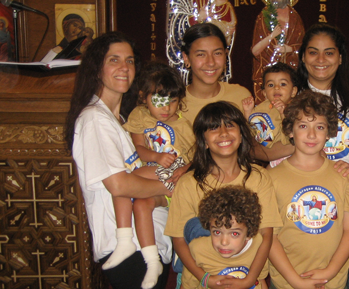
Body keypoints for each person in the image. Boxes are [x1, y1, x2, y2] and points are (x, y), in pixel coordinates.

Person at [64, 31, 173, 289]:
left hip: (151, 241)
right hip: (128, 247)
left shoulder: (124, 121)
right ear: (97, 67)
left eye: (130, 60)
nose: (124, 67)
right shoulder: (94, 119)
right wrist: (170, 186)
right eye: (114, 60)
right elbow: (119, 185)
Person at [164, 101, 282, 289]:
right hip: (200, 280)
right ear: (203, 141)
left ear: (242, 135)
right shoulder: (188, 183)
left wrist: (250, 279)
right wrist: (204, 278)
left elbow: (266, 234)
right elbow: (179, 239)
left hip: (249, 279)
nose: (223, 133)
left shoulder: (259, 178)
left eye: (229, 125)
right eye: (213, 128)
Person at [96, 62, 191, 288]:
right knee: (139, 204)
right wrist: (156, 157)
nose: (166, 108)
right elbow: (138, 148)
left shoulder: (185, 126)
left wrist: (182, 170)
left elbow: (196, 159)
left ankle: (128, 243)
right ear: (143, 98)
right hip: (151, 173)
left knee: (126, 181)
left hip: (173, 178)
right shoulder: (139, 116)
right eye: (158, 101)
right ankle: (148, 258)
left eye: (173, 101)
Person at [268, 90, 349, 289]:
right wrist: (296, 281)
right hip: (286, 282)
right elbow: (269, 237)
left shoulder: (344, 176)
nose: (311, 134)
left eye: (319, 127)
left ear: (329, 132)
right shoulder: (271, 179)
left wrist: (329, 272)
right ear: (290, 130)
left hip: (333, 281)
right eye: (302, 126)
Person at [296, 23, 349, 163]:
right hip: (301, 180)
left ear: (340, 58)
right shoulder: (290, 96)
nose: (321, 59)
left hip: (347, 180)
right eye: (313, 52)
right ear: (303, 57)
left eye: (329, 53)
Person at [191, 185, 269, 289]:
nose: (224, 242)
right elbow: (188, 284)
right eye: (217, 232)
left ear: (249, 234)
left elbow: (261, 281)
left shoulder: (258, 245)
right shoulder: (198, 249)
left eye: (234, 234)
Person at [179, 23, 252, 126]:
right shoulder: (174, 105)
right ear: (186, 57)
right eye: (201, 55)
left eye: (217, 53)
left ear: (226, 54)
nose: (211, 62)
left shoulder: (241, 97)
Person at [242, 62, 299, 166]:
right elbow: (252, 131)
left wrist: (283, 114)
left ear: (293, 91)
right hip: (271, 157)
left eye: (283, 84)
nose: (276, 88)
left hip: (293, 155)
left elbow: (293, 136)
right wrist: (248, 113)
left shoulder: (296, 108)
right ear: (264, 93)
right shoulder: (262, 108)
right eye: (271, 85)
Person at [251, 0, 304, 101]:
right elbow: (255, 51)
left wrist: (290, 49)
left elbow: (303, 48)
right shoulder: (264, 16)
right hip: (266, 68)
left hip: (290, 69)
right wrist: (271, 36)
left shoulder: (294, 16)